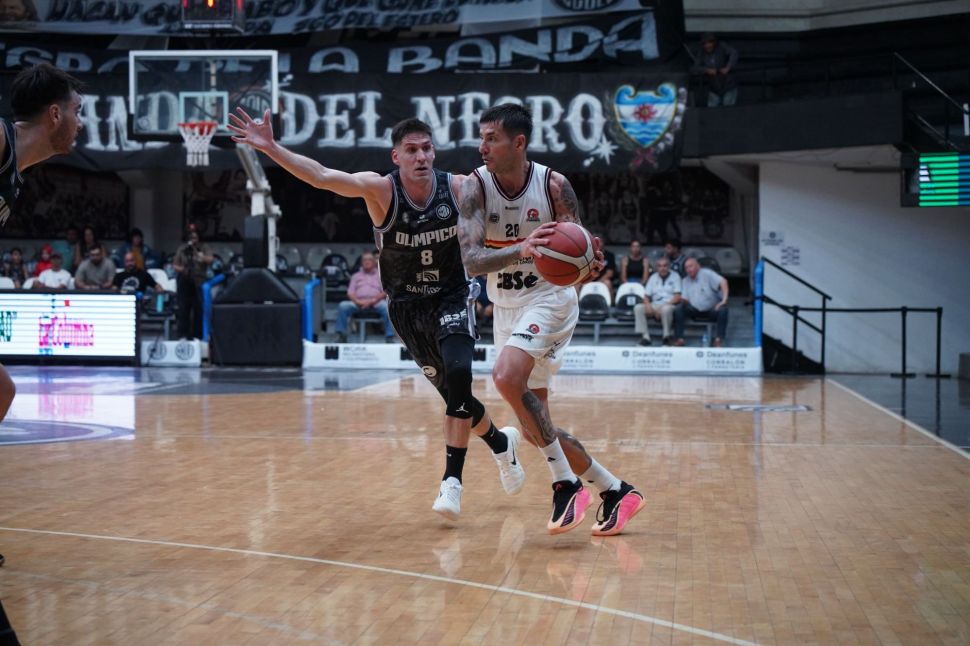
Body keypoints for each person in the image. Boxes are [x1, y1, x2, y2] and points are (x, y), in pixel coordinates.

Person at [228, 109, 525, 520]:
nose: (421, 157)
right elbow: (321, 176)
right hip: (406, 307)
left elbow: (510, 198)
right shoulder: (380, 191)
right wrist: (272, 149)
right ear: (396, 157)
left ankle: (451, 481)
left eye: (427, 148)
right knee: (454, 397)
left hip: (452, 296)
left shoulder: (458, 187)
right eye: (412, 150)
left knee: (459, 376)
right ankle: (500, 444)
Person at [457, 103, 645, 536]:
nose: (482, 146)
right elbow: (471, 260)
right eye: (481, 138)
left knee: (505, 377)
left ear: (518, 142)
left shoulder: (554, 186)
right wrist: (522, 248)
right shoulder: (474, 187)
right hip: (506, 306)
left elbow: (576, 252)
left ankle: (565, 484)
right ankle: (616, 490)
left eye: (491, 139)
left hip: (550, 298)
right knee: (534, 426)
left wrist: (589, 262)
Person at [0, 61, 84, 427]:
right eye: (76, 111)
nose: (80, 122)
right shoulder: (1, 139)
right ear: (54, 114)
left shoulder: (14, 169)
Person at [333, 251, 395, 343]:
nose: (367, 262)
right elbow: (350, 292)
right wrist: (358, 302)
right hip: (358, 303)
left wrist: (372, 301)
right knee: (343, 306)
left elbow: (385, 291)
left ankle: (389, 337)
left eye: (369, 260)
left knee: (388, 307)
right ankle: (341, 335)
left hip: (376, 303)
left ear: (374, 262)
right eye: (365, 260)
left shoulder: (381, 275)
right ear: (361, 262)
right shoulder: (356, 276)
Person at [673, 257, 729, 347]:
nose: (689, 269)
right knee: (679, 308)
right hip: (694, 310)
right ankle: (679, 339)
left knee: (723, 309)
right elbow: (685, 300)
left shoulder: (707, 273)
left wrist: (724, 300)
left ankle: (719, 340)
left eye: (691, 266)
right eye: (686, 268)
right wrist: (680, 300)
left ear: (698, 266)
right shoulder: (685, 280)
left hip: (711, 310)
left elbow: (723, 282)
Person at [172, 226, 213, 340]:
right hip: (184, 280)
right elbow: (175, 264)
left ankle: (197, 335)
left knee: (198, 308)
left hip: (199, 280)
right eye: (191, 237)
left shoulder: (204, 247)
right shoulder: (183, 248)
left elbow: (210, 259)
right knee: (183, 308)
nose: (193, 239)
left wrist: (200, 255)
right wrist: (183, 269)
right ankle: (183, 334)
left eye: (195, 237)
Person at [634, 256, 682, 346]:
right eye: (659, 266)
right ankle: (645, 337)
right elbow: (646, 296)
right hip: (655, 304)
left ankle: (666, 337)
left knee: (666, 309)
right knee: (638, 308)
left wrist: (663, 307)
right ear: (657, 267)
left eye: (665, 266)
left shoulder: (675, 276)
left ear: (669, 266)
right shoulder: (653, 277)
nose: (662, 268)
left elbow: (677, 297)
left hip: (669, 304)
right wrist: (647, 305)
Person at [692, 32, 739, 107]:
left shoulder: (721, 46)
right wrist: (707, 70)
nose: (707, 46)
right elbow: (695, 67)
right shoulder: (702, 52)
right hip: (714, 87)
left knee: (728, 108)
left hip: (728, 84)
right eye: (705, 44)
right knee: (712, 109)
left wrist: (728, 67)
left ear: (714, 43)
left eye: (710, 43)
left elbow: (734, 53)